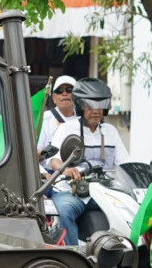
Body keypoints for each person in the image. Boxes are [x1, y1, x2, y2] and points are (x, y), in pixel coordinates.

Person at [48, 78, 130, 245]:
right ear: (79, 106)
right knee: (63, 211)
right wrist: (66, 170)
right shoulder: (67, 129)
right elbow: (53, 160)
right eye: (90, 105)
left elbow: (125, 165)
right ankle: (72, 256)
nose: (96, 110)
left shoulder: (110, 132)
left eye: (100, 105)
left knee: (128, 212)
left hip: (105, 192)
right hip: (72, 191)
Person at [36, 75, 77, 153]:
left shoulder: (83, 119)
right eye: (59, 90)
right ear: (54, 98)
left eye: (69, 90)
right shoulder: (44, 119)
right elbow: (36, 153)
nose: (64, 94)